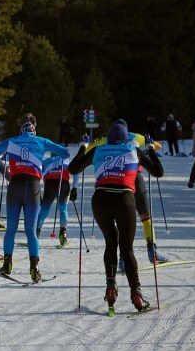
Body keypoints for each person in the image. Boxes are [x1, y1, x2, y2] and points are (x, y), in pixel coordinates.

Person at [68, 121, 160, 313]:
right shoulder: (133, 150)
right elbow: (158, 172)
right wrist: (151, 149)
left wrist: (83, 147)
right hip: (124, 199)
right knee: (127, 250)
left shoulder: (99, 150)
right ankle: (136, 294)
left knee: (111, 242)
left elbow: (73, 169)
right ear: (126, 138)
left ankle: (111, 287)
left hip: (100, 199)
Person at [0, 114, 73, 282]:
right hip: (33, 186)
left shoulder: (12, 141)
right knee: (30, 230)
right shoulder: (42, 141)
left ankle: (7, 264)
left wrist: (6, 155)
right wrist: (45, 159)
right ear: (34, 131)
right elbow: (65, 153)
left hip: (15, 186)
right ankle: (34, 267)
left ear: (21, 132)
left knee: (11, 229)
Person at [40, 142, 74, 246]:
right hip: (63, 183)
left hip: (50, 184)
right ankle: (63, 233)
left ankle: (35, 234)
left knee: (44, 210)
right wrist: (74, 188)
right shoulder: (67, 160)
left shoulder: (46, 161)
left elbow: (37, 174)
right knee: (63, 208)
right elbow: (75, 173)